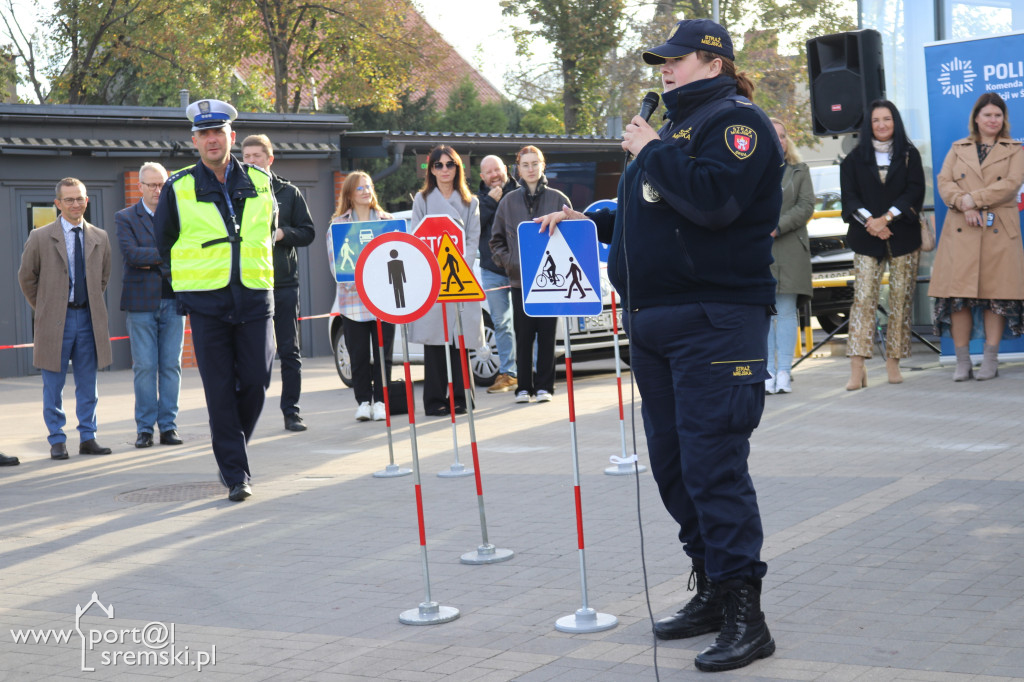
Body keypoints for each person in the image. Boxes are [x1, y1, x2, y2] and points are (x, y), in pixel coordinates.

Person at [538, 18, 778, 673]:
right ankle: (709, 587)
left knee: (713, 468)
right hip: (657, 323)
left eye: (676, 60)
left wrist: (649, 150)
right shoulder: (668, 129)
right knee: (674, 471)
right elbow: (650, 208)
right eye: (661, 61)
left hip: (715, 322)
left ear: (714, 60)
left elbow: (713, 202)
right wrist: (586, 217)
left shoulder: (738, 124)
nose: (664, 70)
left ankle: (744, 615)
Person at [155, 99, 277, 503]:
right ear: (195, 140)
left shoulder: (261, 181)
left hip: (256, 296)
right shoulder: (178, 186)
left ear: (232, 136)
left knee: (257, 381)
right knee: (220, 390)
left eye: (218, 132)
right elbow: (164, 243)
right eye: (204, 134)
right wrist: (184, 289)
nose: (211, 139)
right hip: (207, 304)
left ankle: (232, 445)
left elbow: (269, 230)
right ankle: (235, 473)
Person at [930, 92, 1024, 381]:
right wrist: (962, 202)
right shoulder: (958, 148)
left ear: (1003, 119)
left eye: (998, 115)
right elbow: (943, 181)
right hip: (962, 230)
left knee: (995, 297)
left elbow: (1011, 185)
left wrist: (973, 199)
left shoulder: (1015, 148)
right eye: (988, 115)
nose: (993, 120)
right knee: (959, 298)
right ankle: (962, 361)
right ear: (976, 118)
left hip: (998, 232)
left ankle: (990, 360)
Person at [18, 178, 114, 460]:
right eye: (69, 200)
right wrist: (46, 308)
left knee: (88, 383)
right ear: (58, 204)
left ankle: (88, 436)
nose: (75, 204)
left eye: (80, 198)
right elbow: (27, 278)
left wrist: (88, 303)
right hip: (54, 321)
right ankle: (57, 439)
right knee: (53, 384)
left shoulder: (100, 237)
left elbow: (103, 279)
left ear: (87, 201)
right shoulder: (40, 236)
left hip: (88, 319)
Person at [840, 100, 925, 389]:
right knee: (863, 300)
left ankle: (893, 363)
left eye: (887, 119)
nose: (881, 125)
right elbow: (849, 198)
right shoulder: (853, 159)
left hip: (904, 237)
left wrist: (887, 218)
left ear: (895, 122)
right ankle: (857, 367)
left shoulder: (909, 155)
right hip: (866, 238)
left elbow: (915, 192)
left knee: (901, 301)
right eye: (876, 120)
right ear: (869, 125)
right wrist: (873, 224)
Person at [241, 134, 316, 432]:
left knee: (289, 350)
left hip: (283, 282)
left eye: (256, 156)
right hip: (248, 282)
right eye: (246, 157)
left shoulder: (289, 192)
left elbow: (308, 232)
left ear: (269, 159)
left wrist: (284, 234)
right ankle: (246, 414)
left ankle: (292, 412)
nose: (250, 162)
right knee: (249, 352)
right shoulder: (234, 192)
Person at [490, 145, 571, 404]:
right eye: (525, 164)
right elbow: (496, 241)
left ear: (543, 165)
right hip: (520, 281)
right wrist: (511, 262)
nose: (531, 168)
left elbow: (573, 235)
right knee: (523, 335)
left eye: (535, 163)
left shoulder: (559, 199)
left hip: (552, 281)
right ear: (518, 169)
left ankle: (545, 386)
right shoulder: (508, 201)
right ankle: (523, 388)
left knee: (547, 335)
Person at [408, 145, 483, 417]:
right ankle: (434, 400)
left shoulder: (470, 202)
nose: (444, 170)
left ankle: (463, 398)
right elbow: (416, 237)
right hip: (432, 281)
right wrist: (433, 271)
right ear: (430, 169)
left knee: (459, 340)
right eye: (437, 165)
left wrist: (458, 267)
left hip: (460, 278)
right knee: (435, 343)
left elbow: (473, 240)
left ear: (457, 167)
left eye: (449, 164)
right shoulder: (423, 200)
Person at [116, 162, 186, 448]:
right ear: (139, 187)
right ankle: (145, 429)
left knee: (171, 366)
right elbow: (132, 255)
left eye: (162, 184)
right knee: (145, 367)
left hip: (174, 298)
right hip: (141, 302)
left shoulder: (180, 215)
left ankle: (168, 427)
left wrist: (154, 259)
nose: (158, 190)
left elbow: (186, 252)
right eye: (152, 185)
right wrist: (167, 255)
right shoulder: (125, 217)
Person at [328, 171, 395, 422]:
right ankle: (363, 401)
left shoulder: (386, 221)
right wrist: (361, 283)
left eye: (368, 186)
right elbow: (336, 265)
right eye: (360, 188)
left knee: (383, 354)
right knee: (357, 355)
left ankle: (381, 402)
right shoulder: (339, 226)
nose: (366, 191)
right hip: (352, 301)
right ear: (349, 195)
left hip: (384, 301)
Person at [765, 118, 814, 394]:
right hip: (761, 250)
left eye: (783, 135)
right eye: (774, 136)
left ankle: (784, 370)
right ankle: (768, 371)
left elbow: (806, 205)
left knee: (784, 313)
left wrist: (778, 226)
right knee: (765, 314)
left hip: (791, 249)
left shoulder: (800, 169)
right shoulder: (752, 169)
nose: (780, 140)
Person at [477, 155, 519, 394]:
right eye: (489, 172)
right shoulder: (477, 201)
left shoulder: (520, 192)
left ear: (506, 170)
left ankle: (531, 369)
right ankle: (508, 373)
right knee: (502, 322)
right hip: (492, 271)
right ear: (482, 177)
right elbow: (471, 227)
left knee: (526, 321)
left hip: (520, 269)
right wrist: (490, 203)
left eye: (497, 169)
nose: (494, 175)